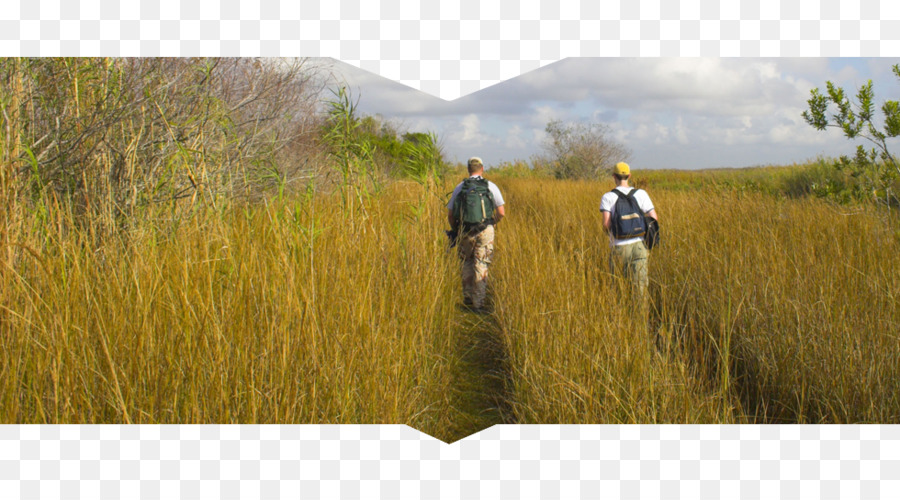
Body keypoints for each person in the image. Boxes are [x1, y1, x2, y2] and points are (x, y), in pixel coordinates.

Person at [447, 157, 506, 311]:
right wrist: (492, 223)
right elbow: (501, 213)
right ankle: (478, 303)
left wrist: (456, 229)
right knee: (481, 263)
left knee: (466, 262)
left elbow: (451, 215)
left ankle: (467, 297)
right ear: (482, 168)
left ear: (468, 169)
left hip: (464, 230)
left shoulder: (460, 187)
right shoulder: (491, 186)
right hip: (485, 230)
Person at [600, 162, 658, 296]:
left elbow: (606, 225)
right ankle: (640, 315)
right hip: (640, 245)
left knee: (618, 286)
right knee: (640, 287)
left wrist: (612, 235)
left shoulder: (608, 197)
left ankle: (622, 313)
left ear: (614, 176)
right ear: (629, 176)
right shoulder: (641, 194)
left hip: (619, 246)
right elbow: (654, 217)